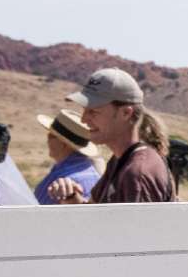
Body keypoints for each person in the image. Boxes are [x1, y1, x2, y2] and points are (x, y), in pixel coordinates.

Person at [47, 68, 175, 204]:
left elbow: (131, 226)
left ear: (126, 113)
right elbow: (96, 214)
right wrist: (72, 198)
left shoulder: (137, 173)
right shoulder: (120, 160)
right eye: (85, 110)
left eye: (94, 112)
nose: (84, 119)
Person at [33, 110, 102, 205]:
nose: (47, 139)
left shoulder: (69, 180)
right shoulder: (84, 169)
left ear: (64, 144)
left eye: (51, 136)